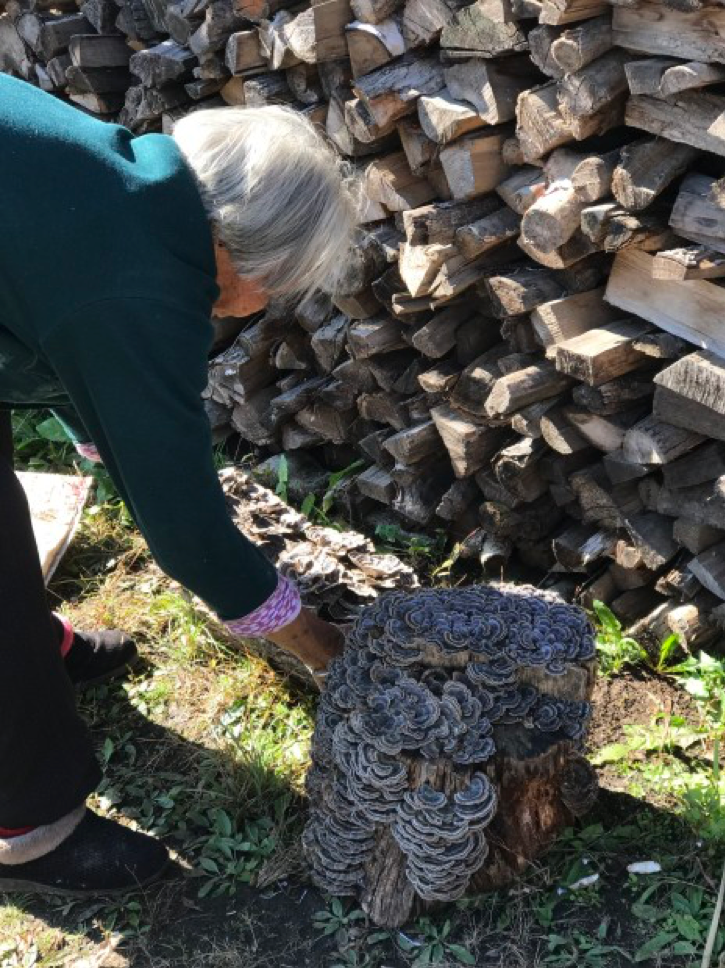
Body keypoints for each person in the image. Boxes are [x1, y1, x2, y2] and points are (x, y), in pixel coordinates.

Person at [0, 74, 357, 894]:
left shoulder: (125, 182)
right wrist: (322, 649)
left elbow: (39, 314)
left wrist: (106, 438)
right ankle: (25, 826)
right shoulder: (141, 282)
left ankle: (36, 649)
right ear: (246, 252)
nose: (261, 303)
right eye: (276, 282)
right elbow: (186, 531)